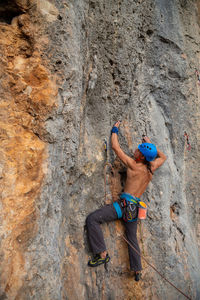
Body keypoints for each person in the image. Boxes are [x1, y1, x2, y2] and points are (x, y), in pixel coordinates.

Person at [86, 121, 167, 281]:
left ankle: (102, 253)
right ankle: (137, 270)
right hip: (135, 210)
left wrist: (115, 130)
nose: (135, 151)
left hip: (122, 207)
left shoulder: (133, 165)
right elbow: (163, 157)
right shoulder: (152, 168)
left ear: (141, 156)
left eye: (138, 150)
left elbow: (116, 148)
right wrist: (150, 145)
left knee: (92, 219)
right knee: (132, 238)